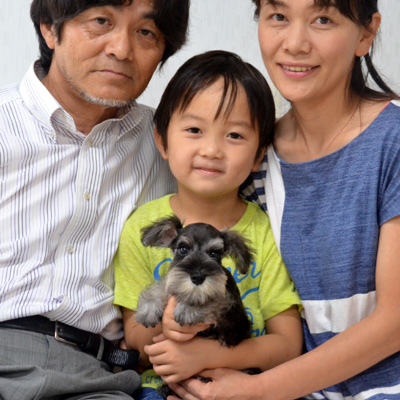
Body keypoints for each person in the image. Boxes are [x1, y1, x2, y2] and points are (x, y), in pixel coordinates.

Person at [166, 1, 400, 399]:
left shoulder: (391, 140)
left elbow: (394, 322)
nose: (294, 43)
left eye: (323, 19)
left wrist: (256, 390)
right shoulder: (249, 157)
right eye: (278, 16)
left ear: (366, 33)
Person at [0, 0, 190, 399]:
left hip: (96, 376)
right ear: (50, 28)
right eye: (101, 21)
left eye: (146, 32)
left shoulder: (175, 146)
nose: (121, 49)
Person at [112, 50, 303, 400]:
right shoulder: (144, 226)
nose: (212, 149)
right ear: (162, 140)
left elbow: (288, 345)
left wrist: (212, 355)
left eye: (234, 135)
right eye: (194, 130)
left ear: (259, 153)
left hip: (245, 387)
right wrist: (169, 328)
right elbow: (137, 338)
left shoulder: (268, 230)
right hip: (161, 389)